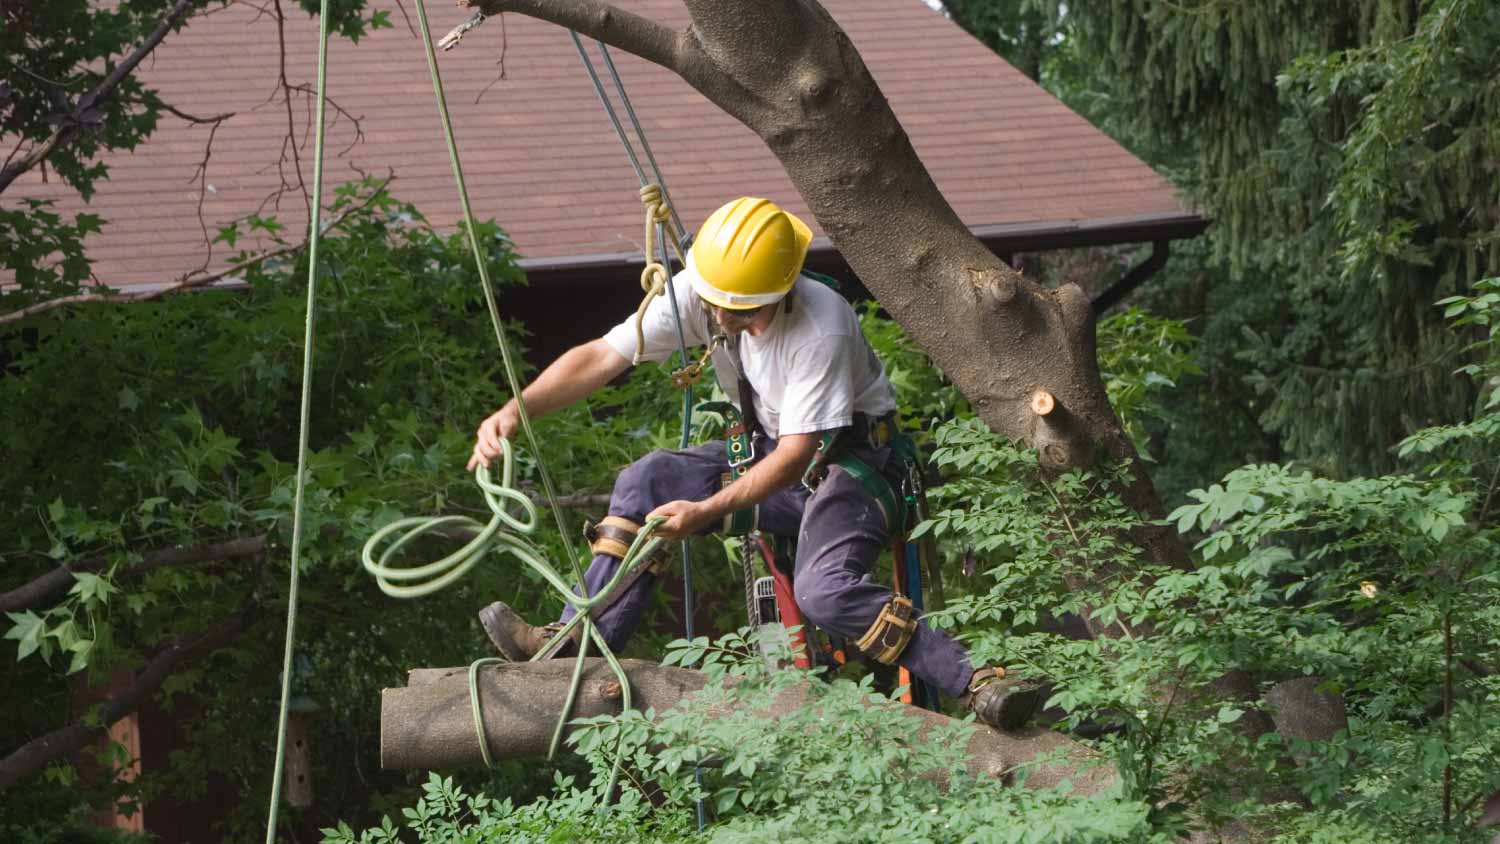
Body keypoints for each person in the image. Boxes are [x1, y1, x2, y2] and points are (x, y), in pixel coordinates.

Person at [468, 196, 1035, 731]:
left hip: (855, 465)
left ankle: (976, 681)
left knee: (823, 589)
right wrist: (517, 409)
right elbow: (602, 355)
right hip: (775, 452)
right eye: (715, 302)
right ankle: (575, 645)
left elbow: (795, 458)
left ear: (778, 292)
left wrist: (705, 510)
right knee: (648, 479)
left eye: (738, 309)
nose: (718, 314)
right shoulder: (711, 289)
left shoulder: (821, 328)